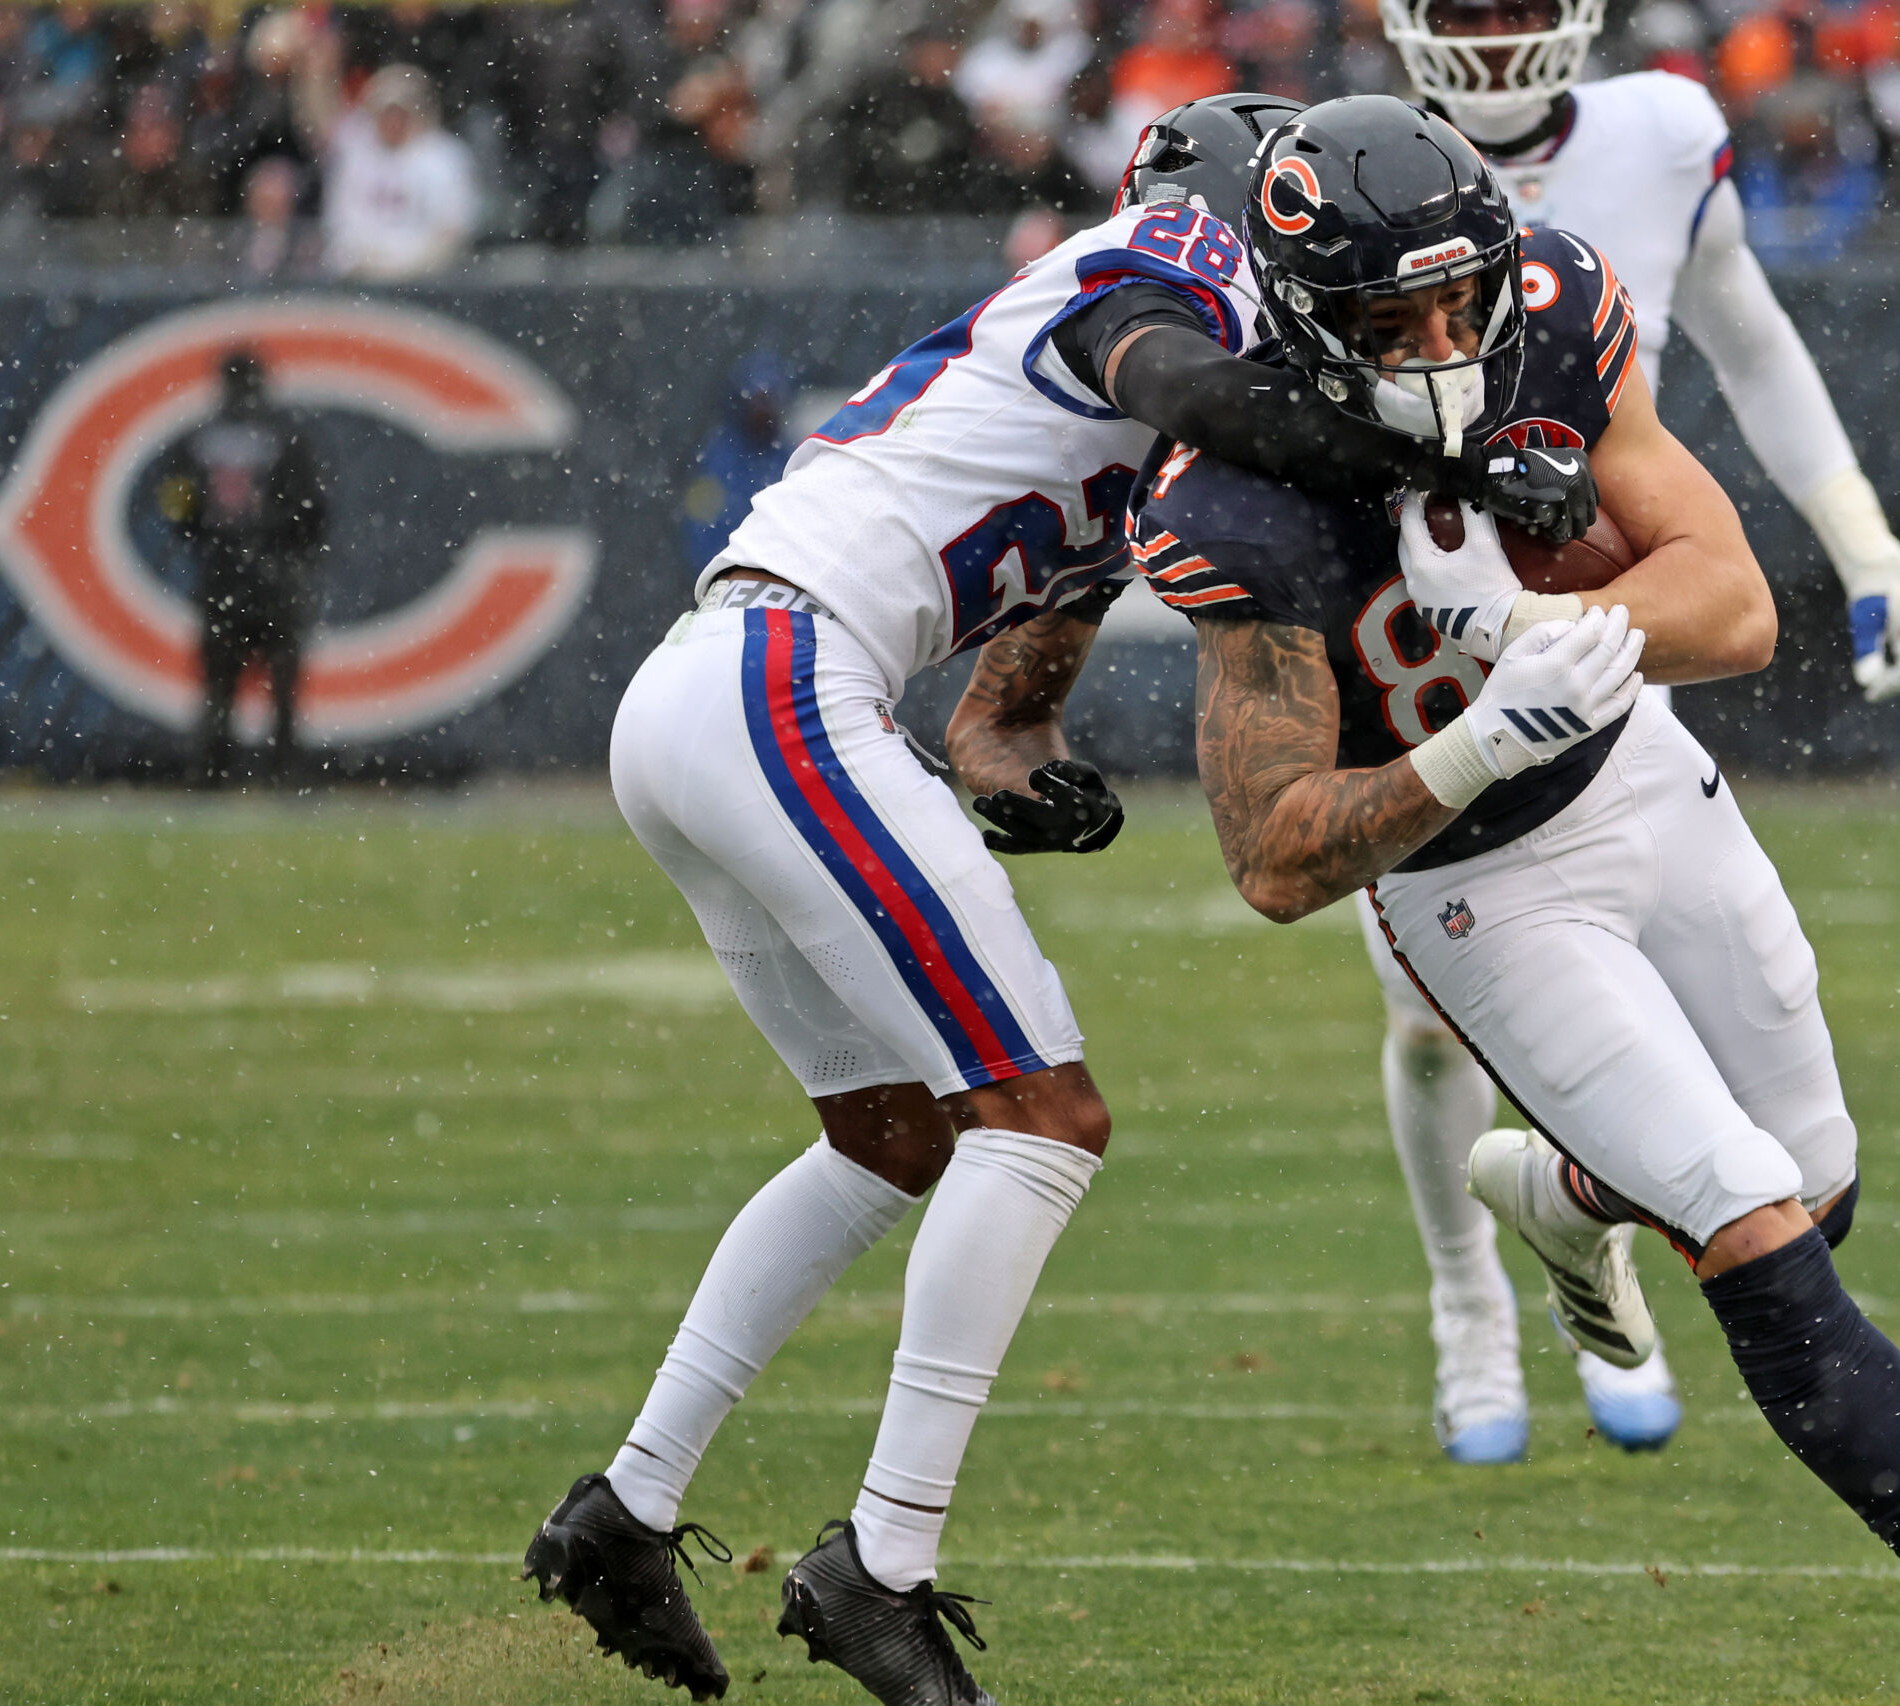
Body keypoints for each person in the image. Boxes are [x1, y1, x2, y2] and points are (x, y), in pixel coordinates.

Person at [520, 92, 1595, 1706]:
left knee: (894, 1134)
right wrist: (1445, 456)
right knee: (1044, 1118)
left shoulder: (1143, 422)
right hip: (778, 682)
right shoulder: (1161, 269)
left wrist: (1030, 772)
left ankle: (625, 1506)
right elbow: (1183, 382)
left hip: (715, 693)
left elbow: (1001, 717)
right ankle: (880, 1564)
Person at [1134, 93, 1900, 1706]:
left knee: (1815, 1188)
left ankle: (1567, 1195)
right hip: (1479, 887)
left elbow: (1739, 607)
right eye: (1387, 316)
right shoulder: (1237, 500)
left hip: (1642, 778)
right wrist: (1475, 742)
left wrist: (1579, 633)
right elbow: (1275, 856)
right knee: (1756, 1228)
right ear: (1301, 324)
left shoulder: (1550, 310)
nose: (1438, 338)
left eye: (1454, 296)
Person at [1371, 0, 1900, 1462]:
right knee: (1428, 1017)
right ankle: (1466, 1306)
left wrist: (1866, 543)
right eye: (1465, 11)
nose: (1494, 40)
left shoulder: (1664, 130)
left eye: (1517, 8)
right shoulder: (1358, 169)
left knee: (1754, 1110)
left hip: (1612, 616)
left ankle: (1565, 1205)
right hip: (1413, 639)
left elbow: (1752, 344)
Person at [155, 349, 328, 786]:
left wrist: (211, 541)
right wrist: (285, 552)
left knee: (218, 690)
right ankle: (286, 778)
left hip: (220, 577)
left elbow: (176, 505)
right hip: (278, 581)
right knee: (284, 693)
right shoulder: (288, 435)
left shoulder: (195, 437)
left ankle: (210, 778)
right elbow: (313, 511)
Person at [305, 60, 479, 278]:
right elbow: (340, 222)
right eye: (386, 111)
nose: (393, 121)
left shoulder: (445, 158)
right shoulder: (354, 153)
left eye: (401, 112)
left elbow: (452, 229)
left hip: (423, 279)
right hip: (358, 275)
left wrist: (407, 265)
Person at [680, 350, 792, 574]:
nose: (763, 409)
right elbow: (699, 525)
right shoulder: (717, 458)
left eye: (769, 399)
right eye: (757, 399)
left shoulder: (789, 457)